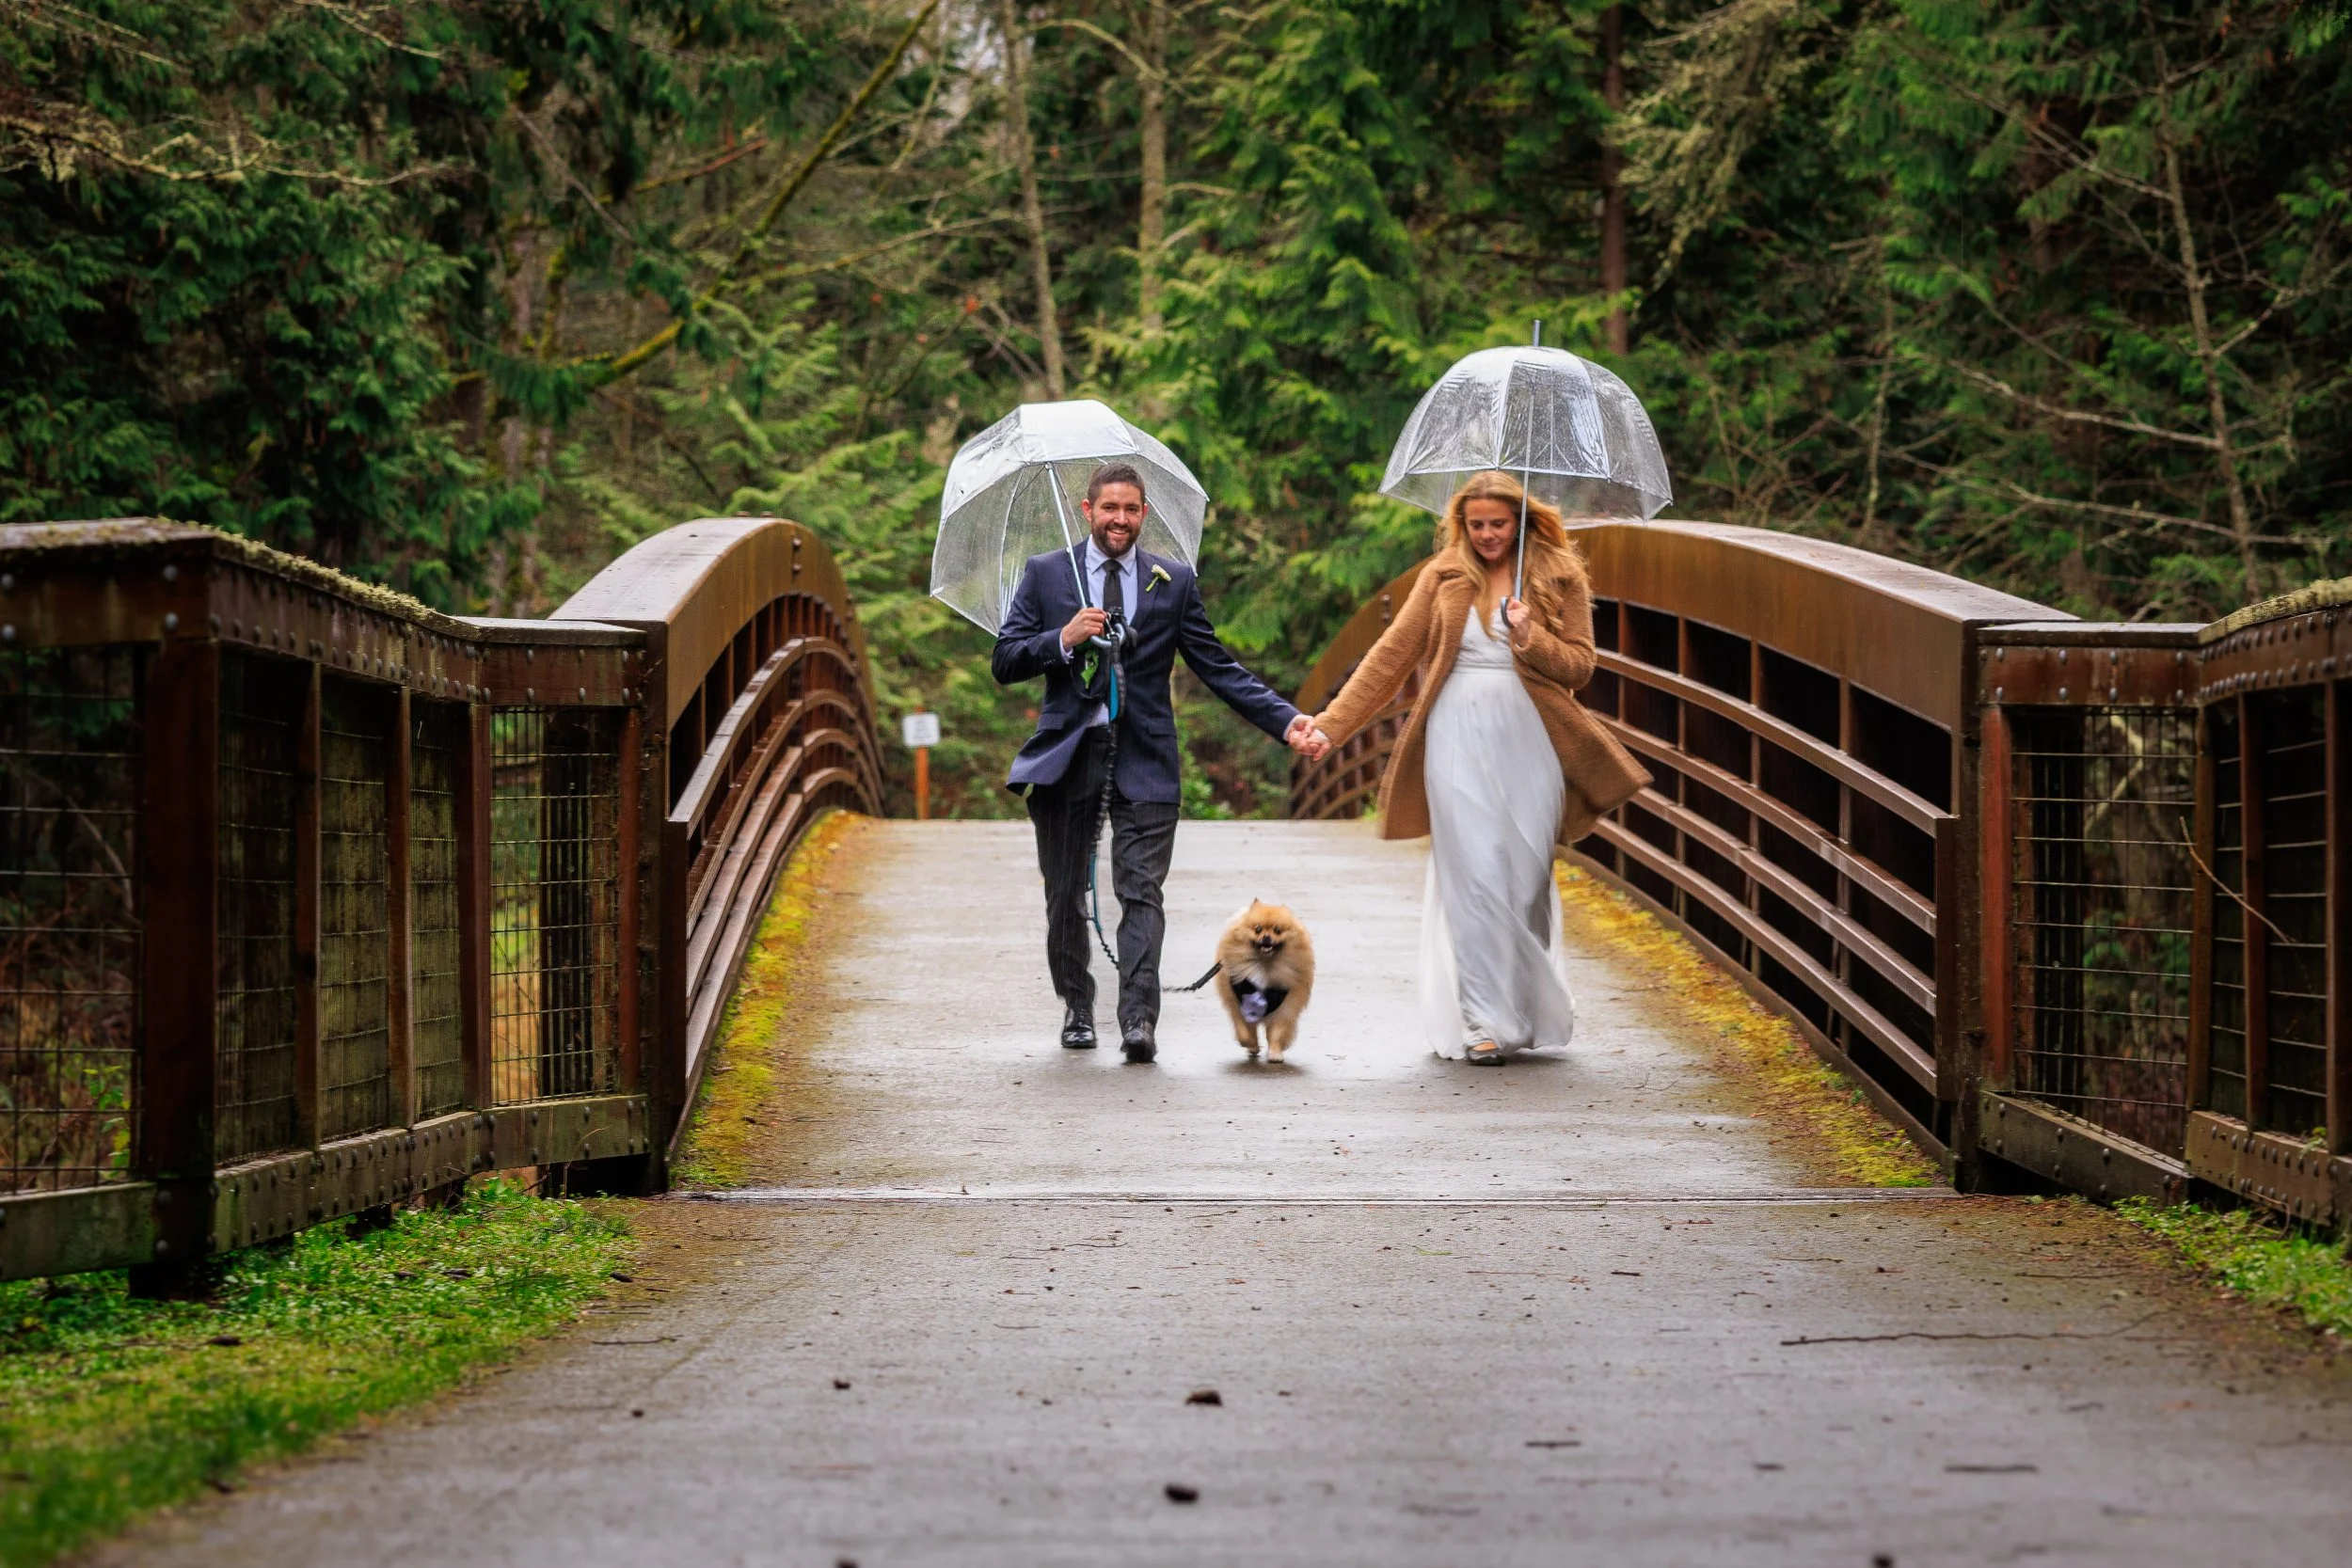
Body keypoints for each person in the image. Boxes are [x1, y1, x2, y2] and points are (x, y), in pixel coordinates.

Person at [1303, 471, 1648, 1064]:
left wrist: (1530, 634)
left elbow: (1580, 668)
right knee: (1475, 875)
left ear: (1520, 521)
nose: (1487, 535)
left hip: (1531, 738)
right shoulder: (1441, 576)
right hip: (1457, 732)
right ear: (1461, 525)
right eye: (1476, 524)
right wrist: (1331, 725)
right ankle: (1479, 1023)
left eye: (1498, 524)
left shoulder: (1559, 574)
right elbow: (1391, 657)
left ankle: (1524, 1007)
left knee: (1525, 877)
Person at [993, 462, 1326, 1063]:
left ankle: (1138, 1021)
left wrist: (1286, 720)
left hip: (1146, 758)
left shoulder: (1171, 580)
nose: (1120, 519)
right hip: (1068, 756)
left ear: (1143, 513)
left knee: (1141, 892)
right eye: (1109, 508)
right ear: (1087, 510)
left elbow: (1218, 667)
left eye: (1132, 509)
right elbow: (1006, 659)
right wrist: (1062, 639)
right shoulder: (1046, 574)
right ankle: (1076, 1004)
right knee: (1065, 893)